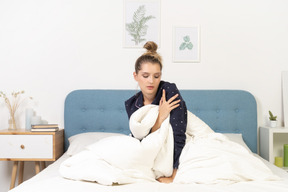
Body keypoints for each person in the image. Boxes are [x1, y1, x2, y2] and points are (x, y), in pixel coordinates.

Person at [125, 41, 187, 183]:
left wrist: (174, 174)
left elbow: (179, 132)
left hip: (177, 153)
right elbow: (141, 141)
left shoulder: (169, 90)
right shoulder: (132, 105)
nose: (151, 81)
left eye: (156, 76)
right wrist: (160, 118)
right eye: (145, 76)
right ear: (136, 76)